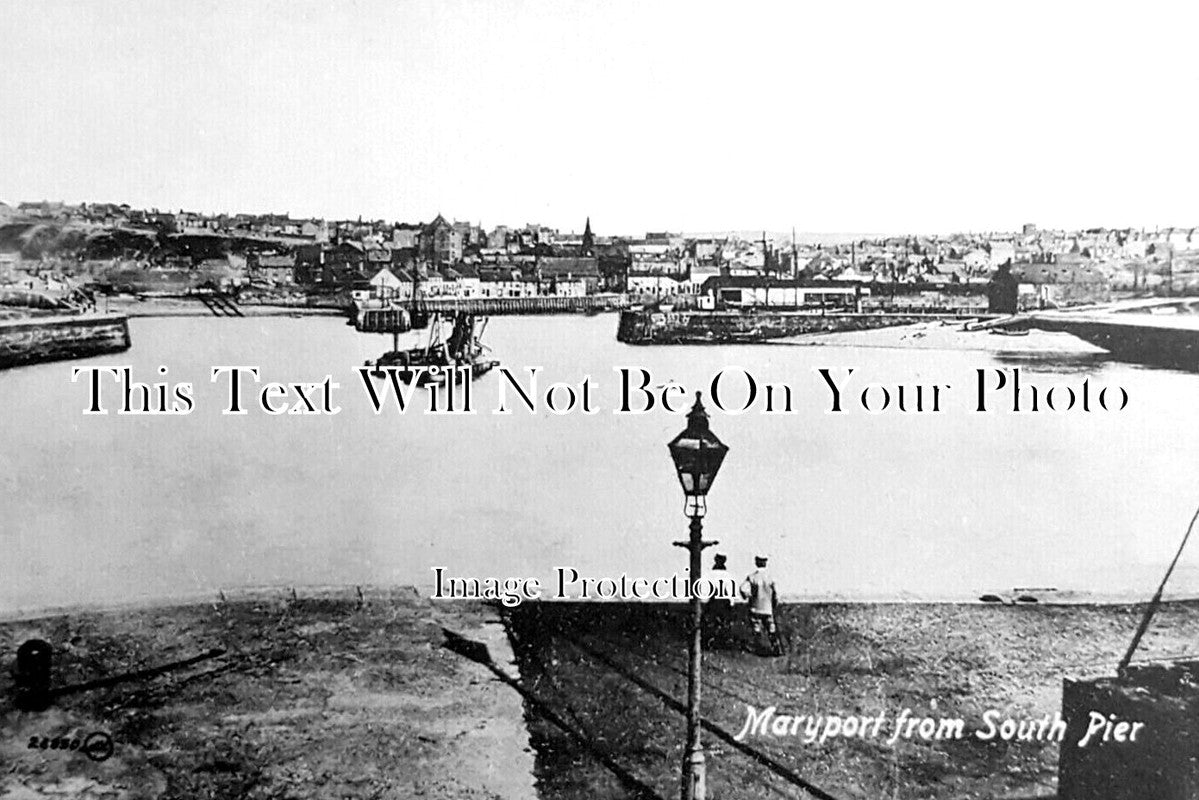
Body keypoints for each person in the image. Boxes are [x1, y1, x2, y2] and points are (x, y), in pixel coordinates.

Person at [740, 555, 783, 656]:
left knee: (757, 629)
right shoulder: (770, 577)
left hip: (755, 607)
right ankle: (776, 649)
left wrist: (748, 597)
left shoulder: (752, 577)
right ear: (765, 562)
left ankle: (759, 649)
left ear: (756, 562)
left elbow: (742, 588)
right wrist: (774, 604)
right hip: (767, 608)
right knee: (771, 629)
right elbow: (777, 594)